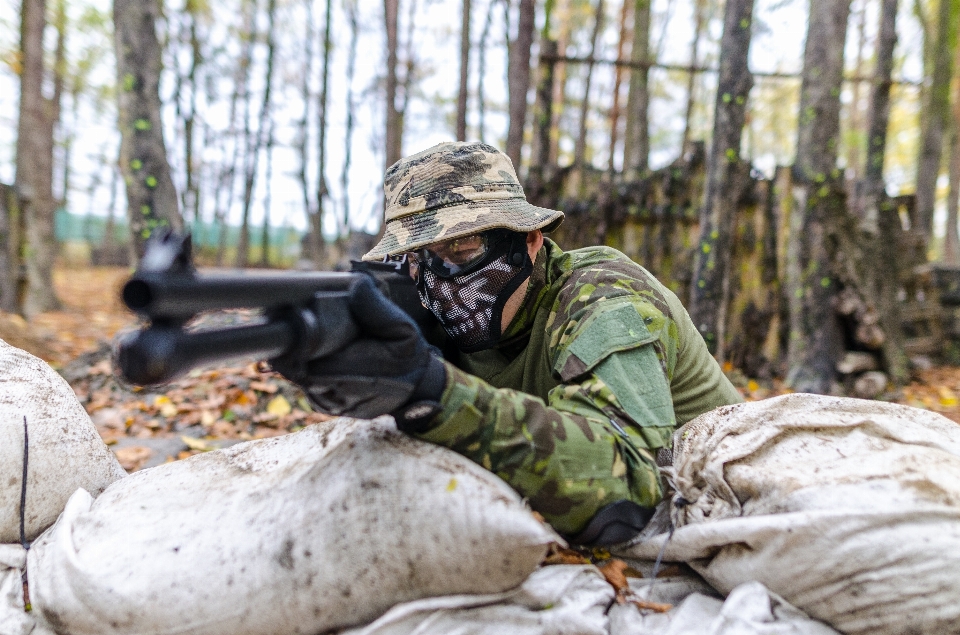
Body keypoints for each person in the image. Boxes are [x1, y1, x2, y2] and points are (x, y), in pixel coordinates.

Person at [282, 141, 742, 546]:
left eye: (464, 252)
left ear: (531, 241)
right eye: (417, 260)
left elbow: (631, 487)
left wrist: (432, 391)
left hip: (724, 495)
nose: (442, 282)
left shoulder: (603, 298)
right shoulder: (432, 313)